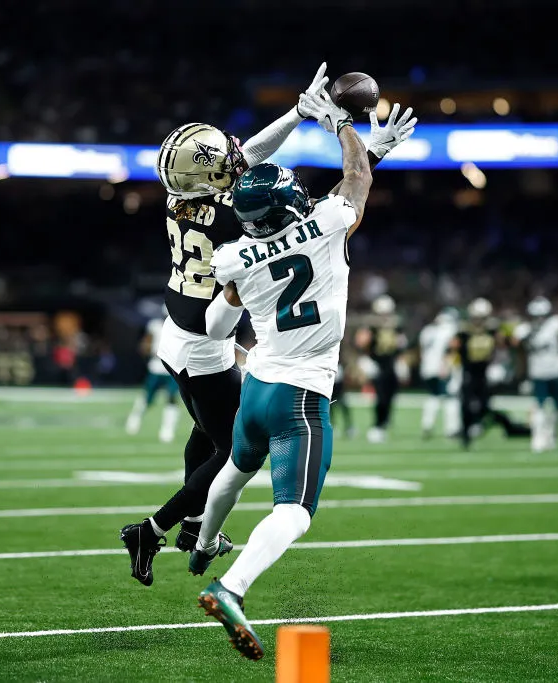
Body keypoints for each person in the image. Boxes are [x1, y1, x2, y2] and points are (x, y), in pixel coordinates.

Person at [190, 91, 416, 660]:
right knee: (293, 510)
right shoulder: (326, 222)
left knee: (237, 468)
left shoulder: (234, 255)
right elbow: (352, 184)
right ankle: (230, 585)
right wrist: (343, 124)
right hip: (302, 394)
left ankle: (203, 543)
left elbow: (218, 327)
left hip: (257, 387)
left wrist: (238, 291)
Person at [118, 63, 332, 587]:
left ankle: (193, 527)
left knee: (204, 428)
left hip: (177, 332)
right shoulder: (236, 215)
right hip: (206, 343)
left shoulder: (180, 196)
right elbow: (292, 204)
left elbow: (246, 156)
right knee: (235, 452)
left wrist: (297, 113)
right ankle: (153, 527)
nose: (238, 158)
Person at [452, 297, 531, 449]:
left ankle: (500, 426)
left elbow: (508, 343)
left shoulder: (493, 331)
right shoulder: (464, 331)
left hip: (483, 373)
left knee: (484, 407)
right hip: (468, 372)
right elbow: (453, 347)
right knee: (466, 405)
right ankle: (466, 434)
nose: (478, 321)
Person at [512, 296, 558, 452]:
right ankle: (538, 436)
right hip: (538, 372)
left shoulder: (554, 324)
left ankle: (552, 435)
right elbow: (514, 341)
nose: (539, 318)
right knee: (540, 406)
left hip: (555, 370)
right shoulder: (525, 329)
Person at [354, 294, 406, 443]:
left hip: (390, 362)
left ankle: (383, 423)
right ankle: (376, 426)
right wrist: (364, 360)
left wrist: (401, 361)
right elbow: (360, 343)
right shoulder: (370, 325)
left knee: (391, 395)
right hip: (376, 362)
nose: (385, 315)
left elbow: (401, 344)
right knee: (381, 396)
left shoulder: (396, 324)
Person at [125, 308, 180, 443]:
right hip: (157, 366)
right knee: (147, 396)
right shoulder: (155, 326)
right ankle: (135, 418)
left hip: (172, 368)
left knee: (172, 398)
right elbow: (145, 344)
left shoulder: (180, 327)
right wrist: (149, 349)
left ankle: (167, 429)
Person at [418, 307, 461, 438]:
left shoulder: (427, 331)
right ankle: (451, 429)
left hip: (427, 368)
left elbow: (422, 350)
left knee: (433, 396)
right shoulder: (451, 330)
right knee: (451, 398)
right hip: (442, 367)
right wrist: (446, 367)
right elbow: (450, 350)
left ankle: (427, 424)